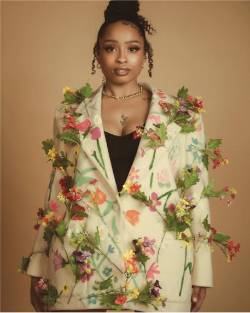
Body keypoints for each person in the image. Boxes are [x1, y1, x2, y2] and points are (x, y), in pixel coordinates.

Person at [25, 0, 214, 311]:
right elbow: (58, 189)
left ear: (145, 54)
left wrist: (202, 270)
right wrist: (37, 265)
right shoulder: (69, 113)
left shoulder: (181, 116)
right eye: (111, 48)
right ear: (97, 53)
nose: (122, 58)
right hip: (83, 261)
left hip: (158, 266)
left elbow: (195, 192)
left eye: (133, 48)